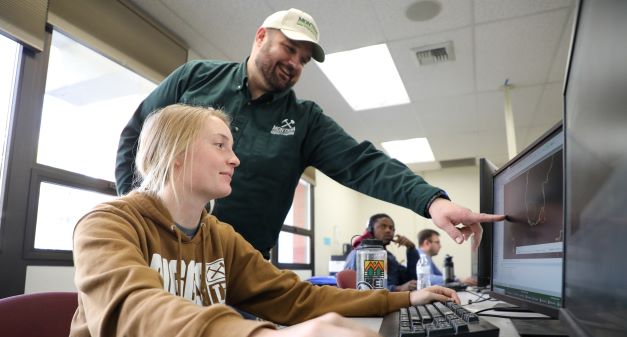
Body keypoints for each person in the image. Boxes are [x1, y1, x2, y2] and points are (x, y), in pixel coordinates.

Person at [49, 104, 461, 337]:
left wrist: (404, 298)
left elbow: (297, 297)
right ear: (175, 154)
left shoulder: (219, 236)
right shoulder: (108, 222)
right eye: (220, 145)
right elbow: (131, 313)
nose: (235, 158)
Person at [115, 8, 504, 260]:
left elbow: (363, 163)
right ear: (261, 36)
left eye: (303, 60)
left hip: (239, 265)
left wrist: (432, 202)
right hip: (160, 248)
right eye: (289, 49)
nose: (295, 64)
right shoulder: (195, 78)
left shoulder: (305, 120)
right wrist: (133, 208)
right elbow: (137, 134)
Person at [344, 213, 418, 292]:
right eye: (383, 226)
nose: (388, 230)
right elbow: (371, 289)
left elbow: (410, 278)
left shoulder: (389, 256)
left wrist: (411, 249)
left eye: (391, 228)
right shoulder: (366, 254)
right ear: (371, 230)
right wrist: (398, 288)